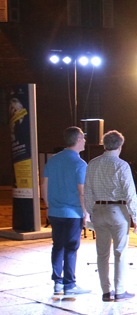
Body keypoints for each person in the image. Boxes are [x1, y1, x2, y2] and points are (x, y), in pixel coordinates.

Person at [84, 131, 137, 302]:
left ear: (104, 144)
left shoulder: (92, 164)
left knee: (102, 254)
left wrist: (89, 212)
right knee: (120, 252)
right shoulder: (122, 165)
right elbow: (130, 193)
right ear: (120, 146)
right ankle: (120, 290)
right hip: (117, 210)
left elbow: (87, 191)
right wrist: (135, 217)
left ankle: (106, 292)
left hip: (98, 211)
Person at [40, 126, 91, 296]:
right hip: (72, 213)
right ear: (77, 140)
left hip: (55, 211)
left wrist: (48, 205)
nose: (84, 141)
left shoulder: (53, 160)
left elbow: (44, 185)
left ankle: (57, 282)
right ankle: (70, 284)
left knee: (57, 246)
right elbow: (81, 191)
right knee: (71, 248)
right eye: (83, 138)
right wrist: (86, 213)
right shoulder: (79, 164)